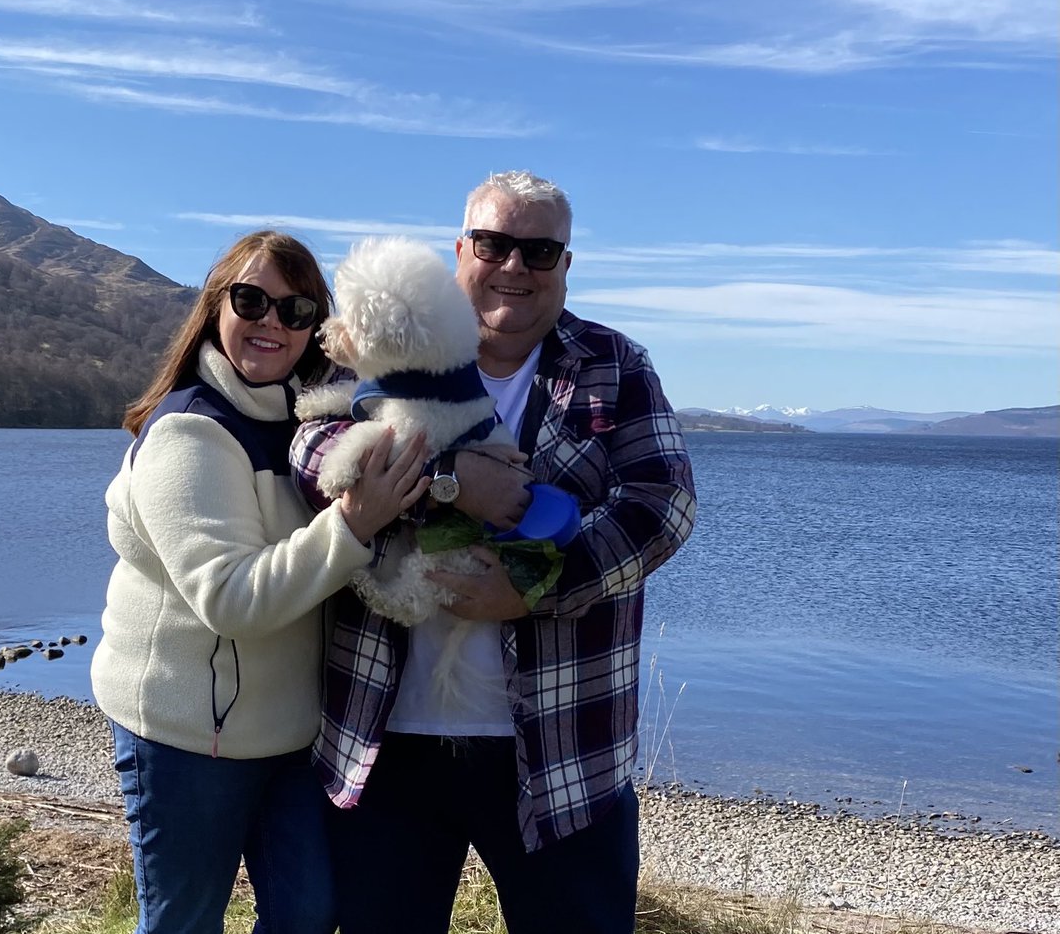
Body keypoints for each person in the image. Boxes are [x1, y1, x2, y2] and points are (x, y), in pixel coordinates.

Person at [292, 172, 697, 934]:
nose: (515, 266)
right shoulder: (387, 343)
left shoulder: (616, 365)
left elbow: (663, 504)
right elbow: (313, 452)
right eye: (495, 243)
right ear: (460, 251)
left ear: (566, 266)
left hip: (562, 749)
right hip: (386, 746)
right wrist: (446, 482)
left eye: (540, 250)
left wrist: (537, 589)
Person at [91, 230, 428, 934]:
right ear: (216, 306)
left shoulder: (301, 421)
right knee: (184, 921)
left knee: (307, 913)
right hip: (187, 738)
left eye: (297, 309)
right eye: (252, 300)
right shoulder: (190, 432)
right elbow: (232, 598)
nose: (273, 321)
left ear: (316, 327)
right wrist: (353, 525)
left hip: (288, 736)